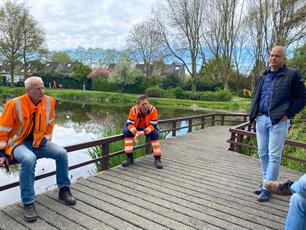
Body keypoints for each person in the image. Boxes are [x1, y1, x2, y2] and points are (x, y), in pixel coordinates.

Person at [0, 76, 76, 222]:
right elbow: (3, 130)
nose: (42, 91)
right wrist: (2, 153)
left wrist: (46, 139)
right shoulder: (13, 104)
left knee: (62, 153)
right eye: (37, 88)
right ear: (28, 91)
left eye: (42, 87)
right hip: (17, 143)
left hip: (38, 142)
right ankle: (28, 202)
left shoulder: (49, 101)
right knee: (29, 159)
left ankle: (64, 189)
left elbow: (50, 122)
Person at [249, 46, 306, 202]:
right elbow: (256, 95)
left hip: (278, 121)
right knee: (263, 153)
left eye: (277, 56)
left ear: (283, 59)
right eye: (271, 55)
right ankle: (265, 183)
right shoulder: (263, 74)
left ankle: (267, 188)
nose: (273, 58)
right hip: (261, 120)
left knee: (274, 156)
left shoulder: (292, 75)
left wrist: (288, 114)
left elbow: (302, 97)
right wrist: (253, 113)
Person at [122, 95, 163, 169]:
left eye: (146, 103)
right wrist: (136, 132)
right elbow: (130, 124)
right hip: (136, 127)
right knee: (126, 131)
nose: (145, 106)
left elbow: (153, 126)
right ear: (138, 105)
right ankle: (129, 158)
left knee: (155, 133)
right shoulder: (133, 110)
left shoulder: (153, 110)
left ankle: (157, 159)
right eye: (143, 104)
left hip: (148, 127)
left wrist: (144, 132)